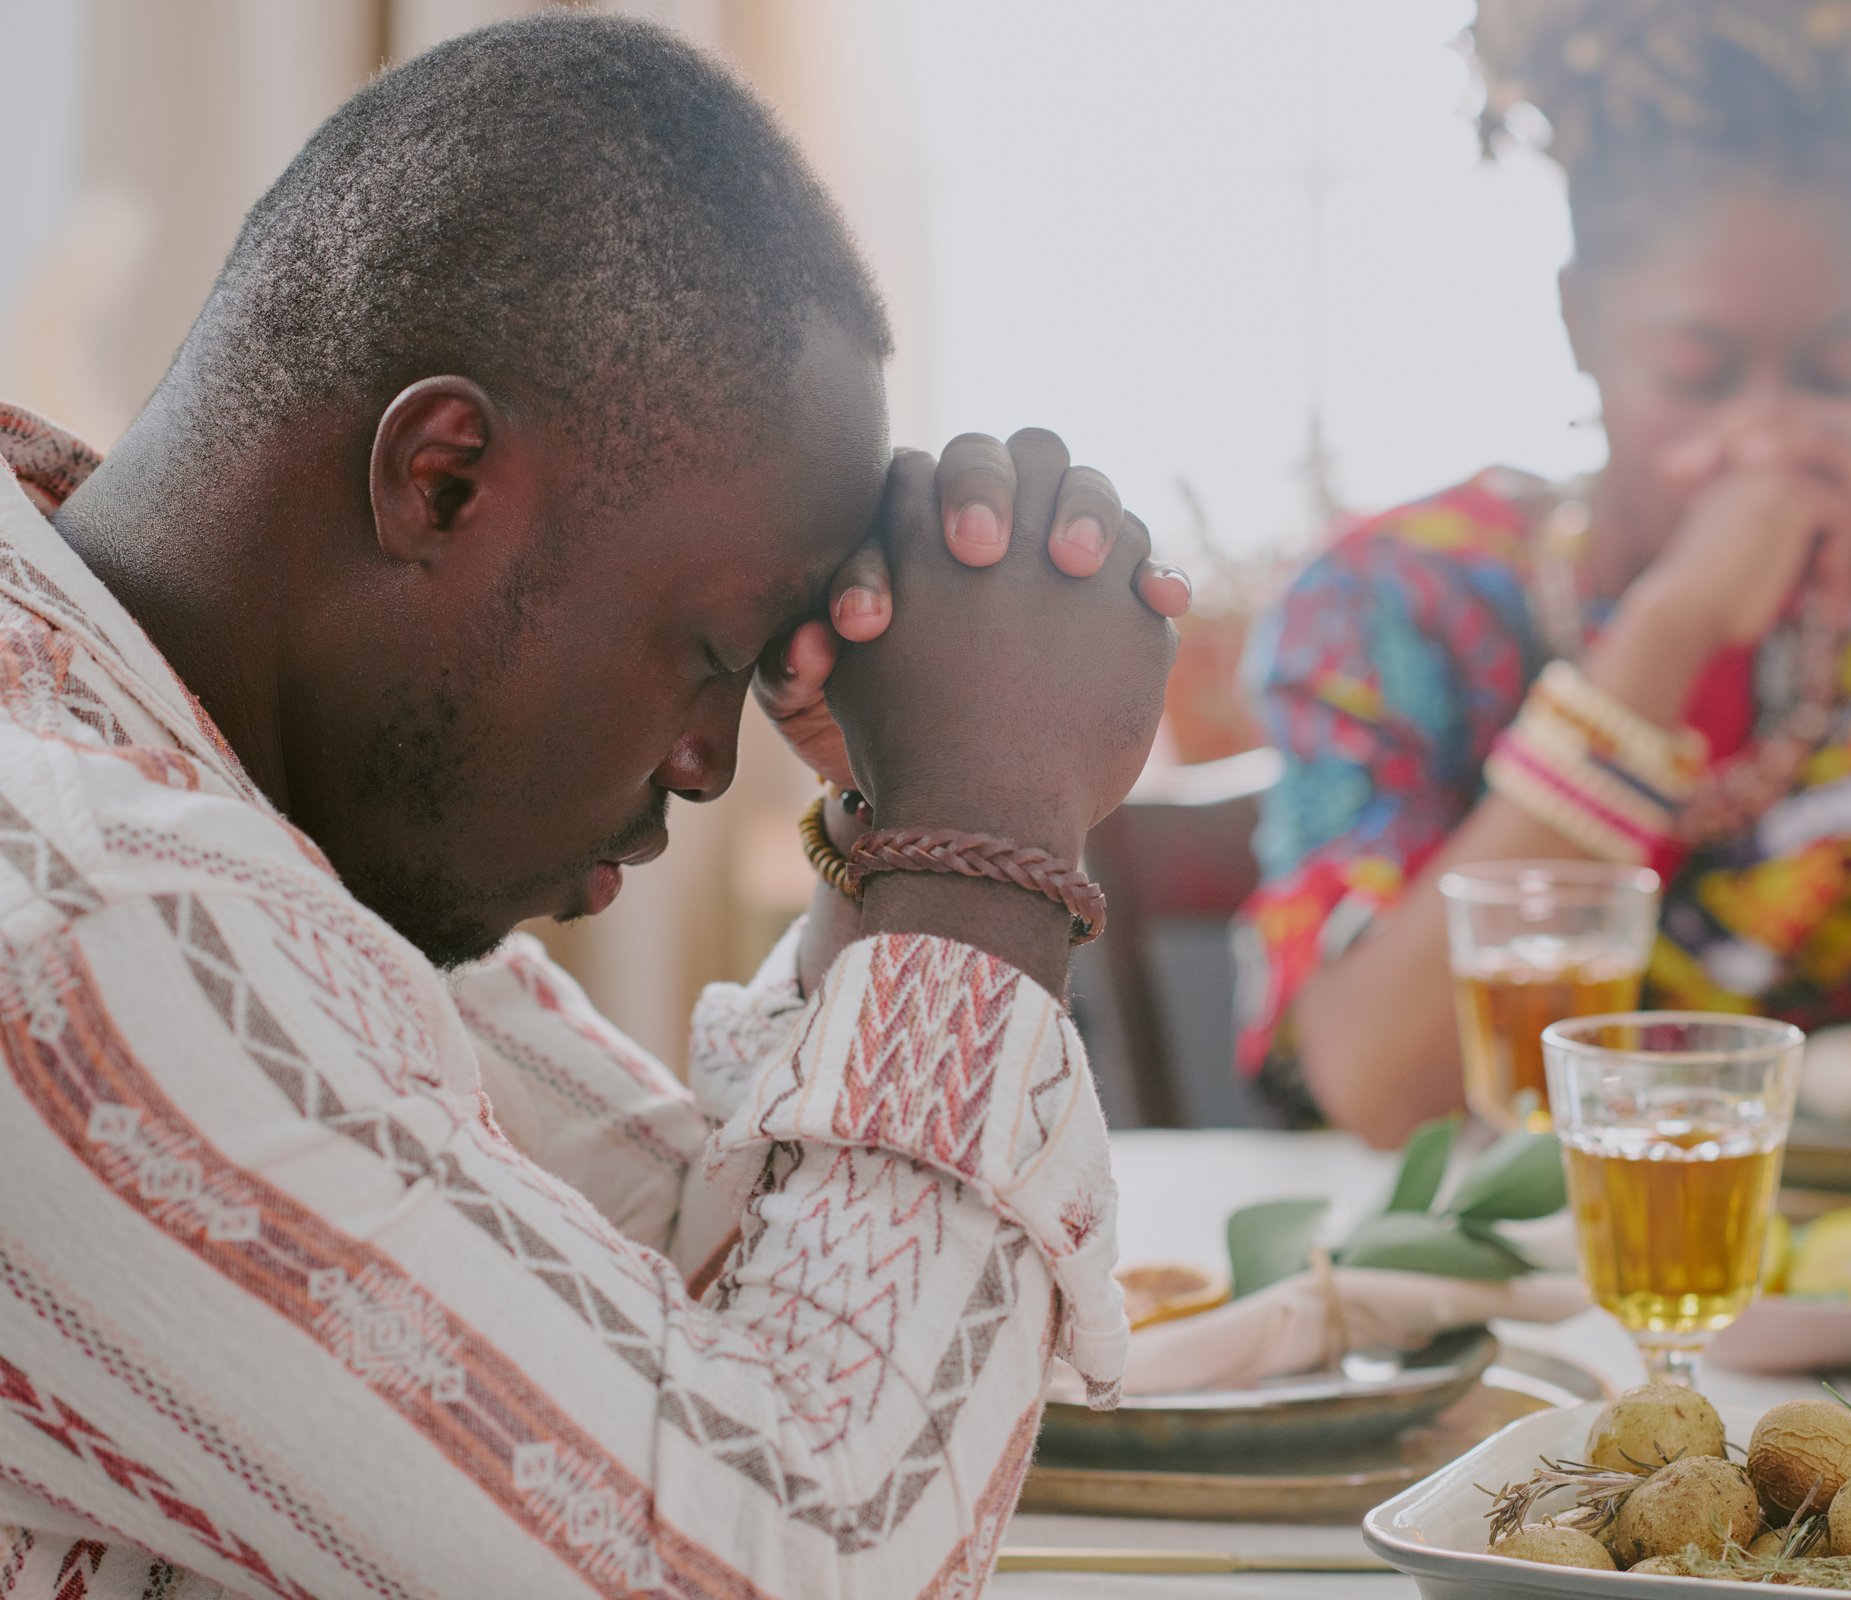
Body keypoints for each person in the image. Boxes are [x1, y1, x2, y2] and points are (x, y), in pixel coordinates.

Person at [0, 16, 1184, 1597]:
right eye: (707, 654)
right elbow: (790, 1563)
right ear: (441, 480)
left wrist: (896, 821)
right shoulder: (99, 914)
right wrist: (995, 834)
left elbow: (682, 1308)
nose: (710, 761)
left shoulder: (242, 802)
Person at [1236, 0, 1851, 1147]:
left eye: (1832, 370)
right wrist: (1666, 636)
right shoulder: (1390, 599)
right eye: (1698, 376)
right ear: (1581, 326)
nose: (1769, 435)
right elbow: (1375, 1085)